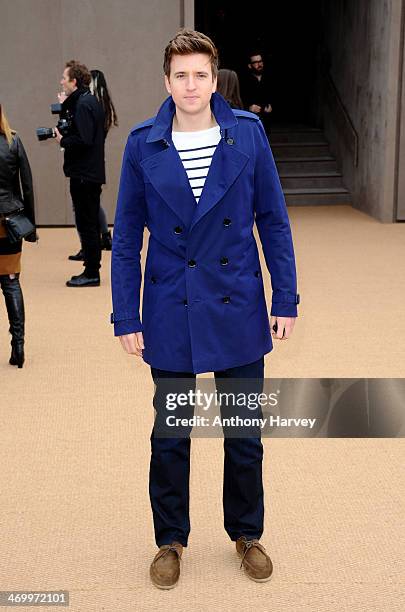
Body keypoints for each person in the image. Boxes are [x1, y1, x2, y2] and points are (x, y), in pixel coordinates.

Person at [111, 29, 300, 589]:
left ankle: (246, 533)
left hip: (237, 301)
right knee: (172, 432)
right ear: (165, 81)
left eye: (200, 74)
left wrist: (284, 296)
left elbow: (273, 219)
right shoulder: (143, 142)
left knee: (244, 432)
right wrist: (127, 314)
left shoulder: (247, 134)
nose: (190, 85)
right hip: (171, 303)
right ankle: (170, 538)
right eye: (180, 75)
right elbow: (125, 238)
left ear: (214, 79)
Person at [55, 60, 105, 287]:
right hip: (88, 172)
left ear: (74, 81)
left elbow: (83, 139)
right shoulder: (86, 101)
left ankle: (92, 272)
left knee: (87, 223)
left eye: (64, 78)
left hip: (85, 174)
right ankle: (91, 266)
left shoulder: (83, 104)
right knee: (89, 221)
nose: (61, 82)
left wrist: (62, 139)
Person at [0, 103, 37, 368]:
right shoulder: (13, 140)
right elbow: (26, 184)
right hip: (9, 223)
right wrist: (31, 226)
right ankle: (19, 345)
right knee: (11, 282)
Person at [68, 69, 118, 261]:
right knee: (92, 206)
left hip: (87, 165)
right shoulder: (101, 106)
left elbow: (85, 138)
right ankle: (103, 237)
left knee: (86, 211)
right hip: (95, 163)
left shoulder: (90, 105)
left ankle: (93, 246)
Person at [240, 51, 272, 132]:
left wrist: (271, 106)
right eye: (255, 62)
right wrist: (248, 107)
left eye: (260, 61)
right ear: (250, 65)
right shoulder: (244, 80)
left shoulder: (269, 77)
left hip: (268, 119)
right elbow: (239, 98)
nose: (259, 64)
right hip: (251, 119)